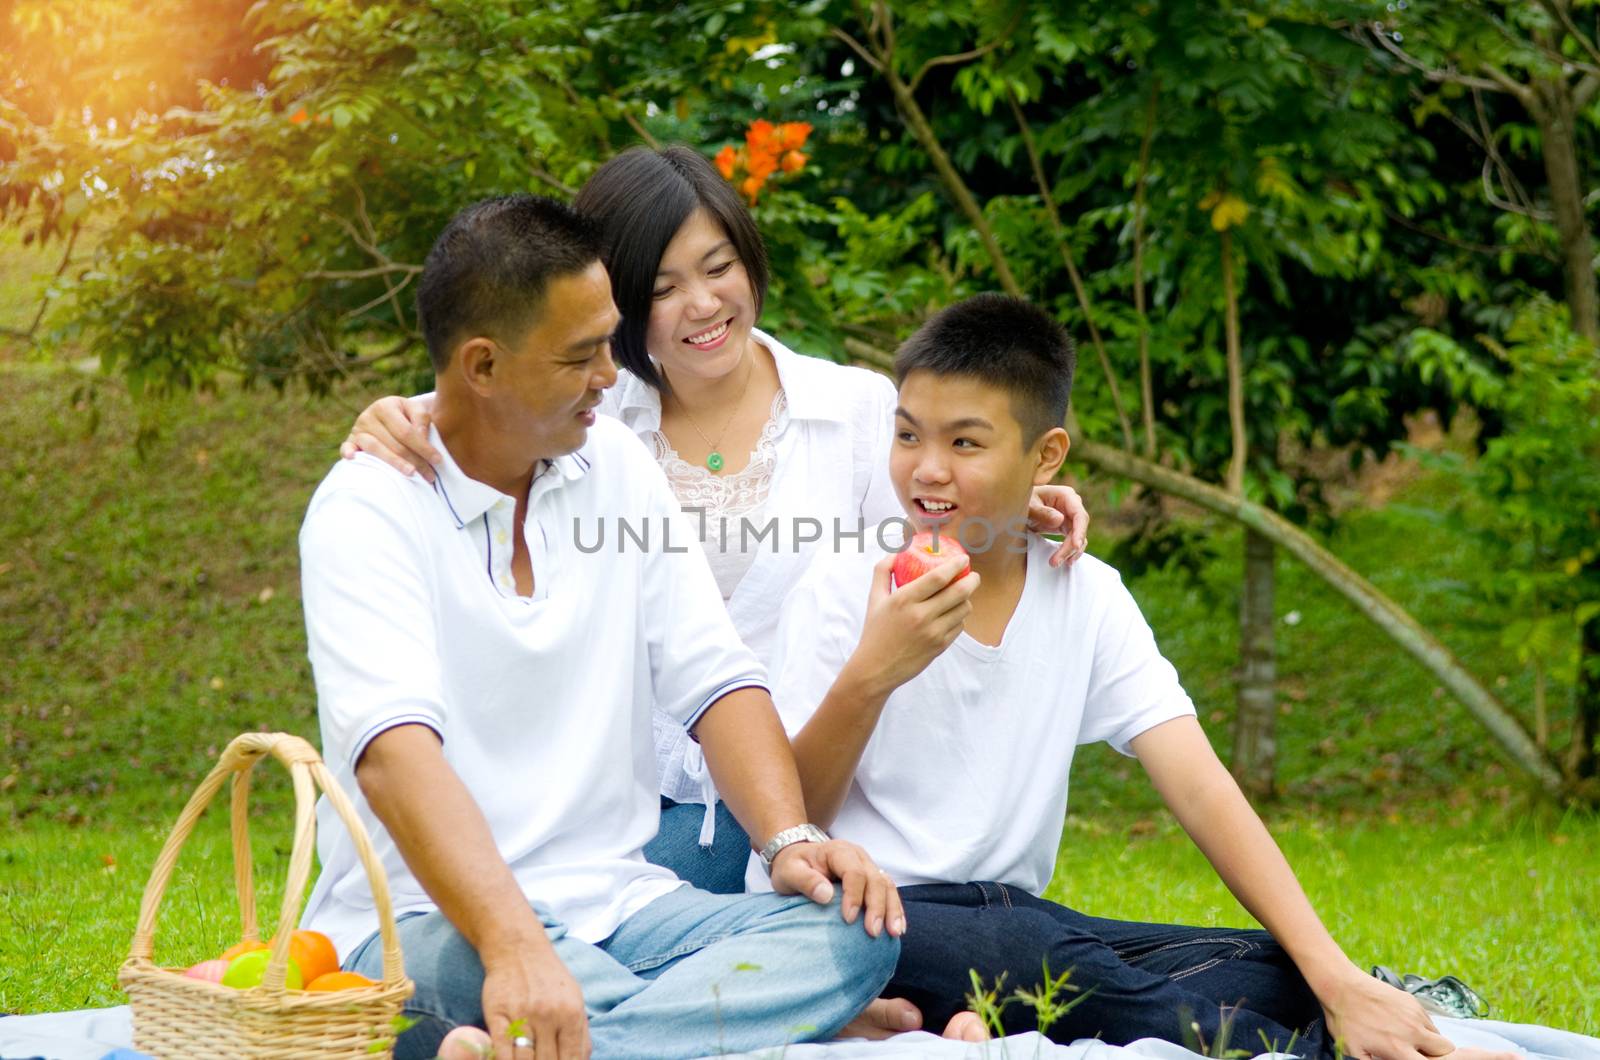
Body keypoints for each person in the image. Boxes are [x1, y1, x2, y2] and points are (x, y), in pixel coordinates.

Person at [754, 293, 1515, 1060]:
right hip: (863, 920)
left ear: (1046, 456)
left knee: (1281, 969)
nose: (927, 469)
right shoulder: (846, 584)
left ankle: (1011, 1017)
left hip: (1017, 920)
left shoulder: (1083, 592)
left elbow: (1199, 785)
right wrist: (872, 675)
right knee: (1055, 960)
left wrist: (1332, 972)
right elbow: (789, 824)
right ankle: (1337, 1053)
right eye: (909, 434)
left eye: (966, 443)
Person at [337, 144, 1091, 894]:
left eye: (719, 266)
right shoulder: (588, 432)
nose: (702, 304)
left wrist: (1016, 498)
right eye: (662, 287)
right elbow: (482, 414)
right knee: (551, 897)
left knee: (750, 913)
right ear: (611, 304)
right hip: (632, 800)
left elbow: (937, 533)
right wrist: (401, 418)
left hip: (811, 788)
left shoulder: (858, 414)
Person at [297, 194, 902, 1060]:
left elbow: (716, 674)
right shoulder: (367, 511)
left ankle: (550, 1043)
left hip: (623, 905)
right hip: (429, 919)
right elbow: (394, 757)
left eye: (608, 345)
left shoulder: (612, 464)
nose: (610, 376)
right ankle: (692, 1023)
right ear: (482, 365)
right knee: (539, 974)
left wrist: (791, 839)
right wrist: (514, 947)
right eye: (581, 356)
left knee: (855, 933)